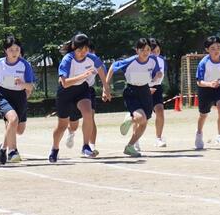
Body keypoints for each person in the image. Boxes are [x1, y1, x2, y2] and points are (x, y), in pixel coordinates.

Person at [49, 33, 110, 163]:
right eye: (80, 49)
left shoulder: (92, 58)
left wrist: (106, 88)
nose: (83, 52)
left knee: (88, 113)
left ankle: (86, 146)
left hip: (82, 90)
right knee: (62, 126)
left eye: (85, 49)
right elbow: (64, 83)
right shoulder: (67, 59)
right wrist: (83, 75)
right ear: (73, 47)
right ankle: (55, 148)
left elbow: (100, 69)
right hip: (65, 93)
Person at [106, 38, 163, 157]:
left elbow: (155, 74)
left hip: (146, 90)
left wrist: (158, 75)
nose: (145, 52)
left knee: (144, 121)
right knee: (141, 118)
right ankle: (131, 118)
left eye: (148, 49)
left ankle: (130, 146)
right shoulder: (131, 61)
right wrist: (105, 88)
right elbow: (113, 67)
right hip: (132, 91)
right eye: (142, 50)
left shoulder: (153, 60)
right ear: (137, 50)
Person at [0, 35, 36, 165]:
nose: (14, 52)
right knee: (13, 120)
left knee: (19, 129)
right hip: (4, 95)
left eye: (17, 49)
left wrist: (22, 84)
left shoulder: (25, 65)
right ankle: (11, 151)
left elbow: (30, 86)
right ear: (5, 51)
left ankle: (4, 147)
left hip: (20, 96)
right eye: (11, 50)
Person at [64, 41, 103, 155]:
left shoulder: (95, 61)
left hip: (88, 90)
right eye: (82, 50)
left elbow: (103, 75)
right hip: (73, 90)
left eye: (89, 50)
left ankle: (90, 146)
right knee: (74, 124)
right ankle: (71, 131)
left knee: (90, 116)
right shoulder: (71, 61)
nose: (86, 53)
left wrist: (106, 88)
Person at [148, 38, 168, 148]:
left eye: (158, 51)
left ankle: (158, 138)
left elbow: (160, 77)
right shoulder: (141, 61)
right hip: (142, 88)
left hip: (156, 88)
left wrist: (156, 79)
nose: (156, 54)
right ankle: (135, 141)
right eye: (153, 51)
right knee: (141, 117)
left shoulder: (161, 60)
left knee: (160, 111)